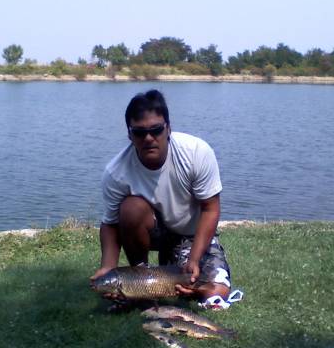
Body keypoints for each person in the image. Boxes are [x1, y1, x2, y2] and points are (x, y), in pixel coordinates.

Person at [90, 89, 231, 303]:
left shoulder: (197, 152)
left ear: (168, 128)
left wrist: (194, 259)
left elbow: (210, 208)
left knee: (217, 292)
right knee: (131, 209)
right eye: (139, 132)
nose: (148, 138)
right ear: (129, 134)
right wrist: (107, 268)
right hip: (155, 233)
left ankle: (176, 274)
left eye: (156, 130)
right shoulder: (116, 172)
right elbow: (110, 224)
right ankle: (139, 277)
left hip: (192, 236)